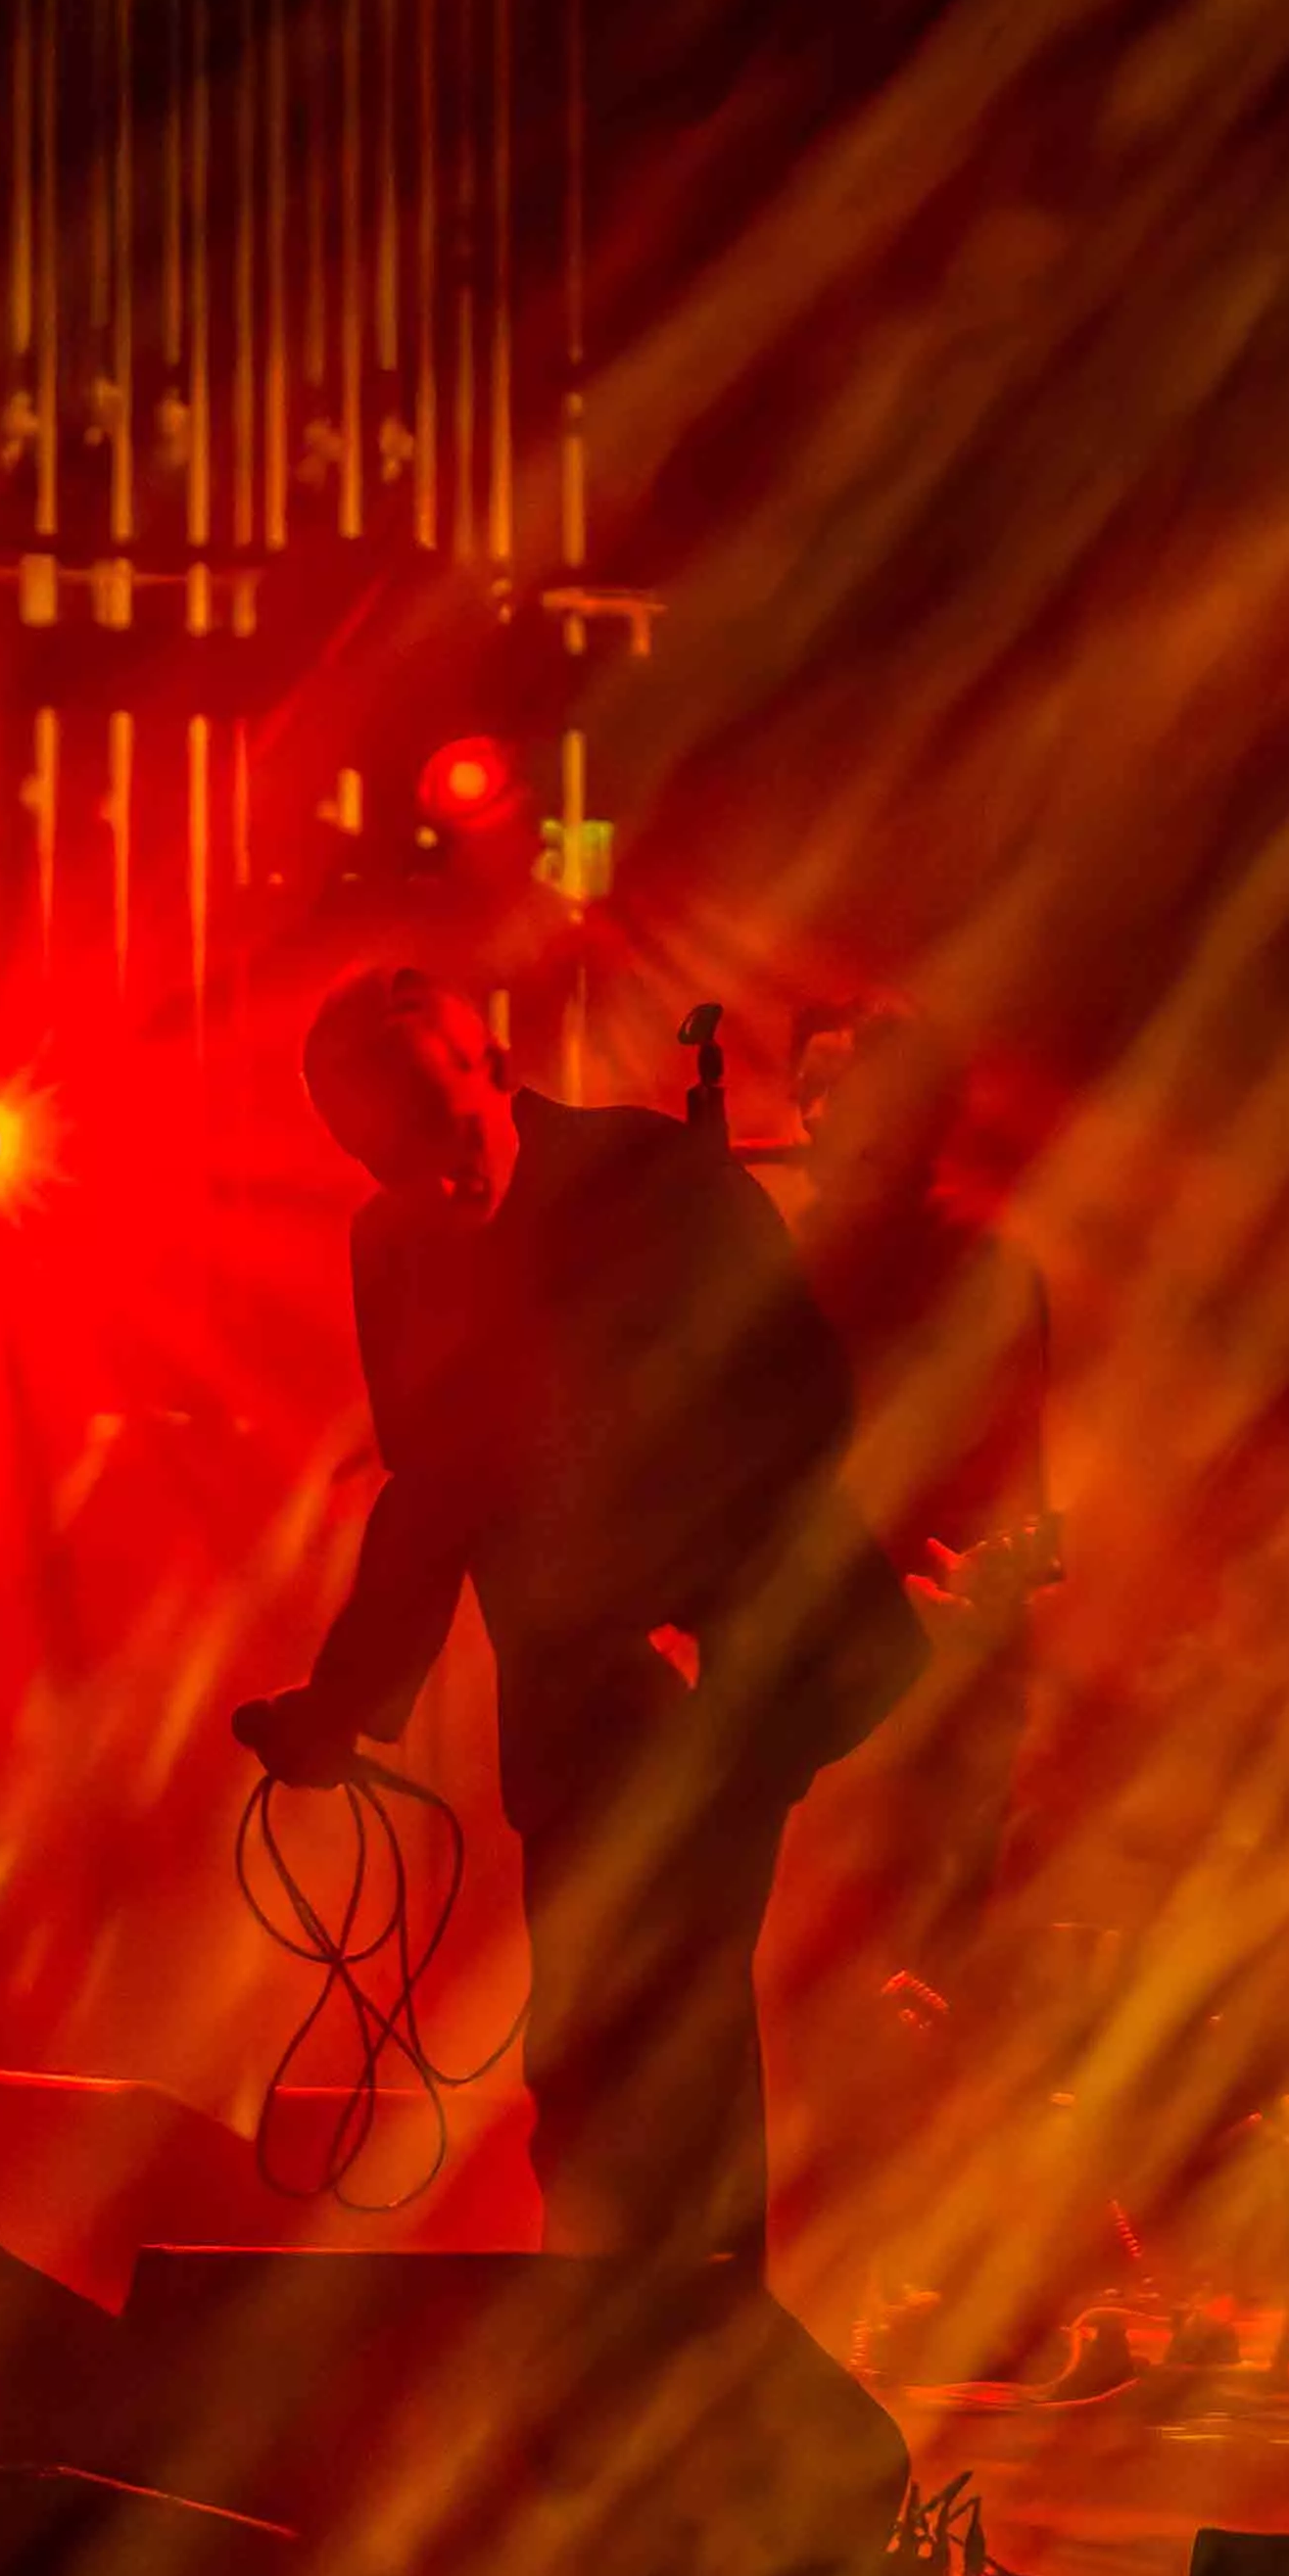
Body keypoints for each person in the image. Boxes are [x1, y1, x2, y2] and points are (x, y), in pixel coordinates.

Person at [232, 970, 908, 2269]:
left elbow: (800, 1393)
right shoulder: (393, 1245)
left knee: (675, 2004)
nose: (424, 1173)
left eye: (435, 1123)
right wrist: (338, 1708)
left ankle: (701, 2335)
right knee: (585, 2031)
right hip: (578, 1687)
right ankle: (618, 2326)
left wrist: (690, 1597)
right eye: (376, 1152)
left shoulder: (649, 1178)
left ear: (493, 1067)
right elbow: (435, 1489)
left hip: (734, 1657)